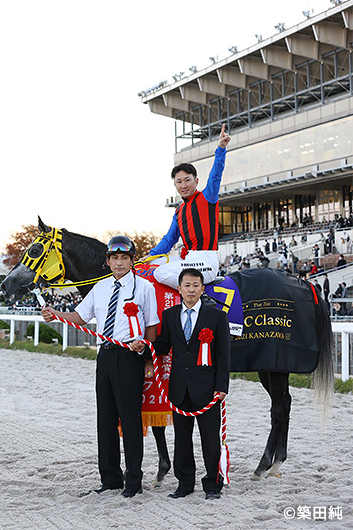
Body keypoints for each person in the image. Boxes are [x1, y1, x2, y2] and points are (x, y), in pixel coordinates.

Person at [41, 236, 159, 498]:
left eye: (124, 258)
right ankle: (110, 479)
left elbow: (151, 325)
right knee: (105, 420)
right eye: (115, 258)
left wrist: (148, 355)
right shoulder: (100, 288)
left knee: (130, 420)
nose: (119, 262)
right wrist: (56, 314)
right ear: (107, 261)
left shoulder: (144, 288)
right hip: (104, 356)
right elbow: (81, 317)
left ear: (132, 260)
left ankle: (133, 480)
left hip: (130, 356)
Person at [132, 268, 230, 500]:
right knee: (182, 439)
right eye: (187, 285)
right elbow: (164, 345)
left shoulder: (216, 317)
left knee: (210, 439)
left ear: (202, 289)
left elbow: (224, 354)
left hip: (208, 388)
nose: (191, 290)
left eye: (196, 285)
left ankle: (212, 486)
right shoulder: (170, 315)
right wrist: (145, 347)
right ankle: (185, 484)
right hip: (179, 388)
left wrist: (222, 386)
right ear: (179, 288)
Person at [148, 124, 231, 289]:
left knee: (160, 273)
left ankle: (196, 297)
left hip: (206, 261)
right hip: (187, 259)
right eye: (179, 182)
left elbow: (216, 176)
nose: (183, 185)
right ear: (175, 185)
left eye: (187, 180)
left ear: (196, 181)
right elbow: (169, 240)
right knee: (152, 265)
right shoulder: (179, 211)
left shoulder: (207, 197)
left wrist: (221, 149)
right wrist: (148, 257)